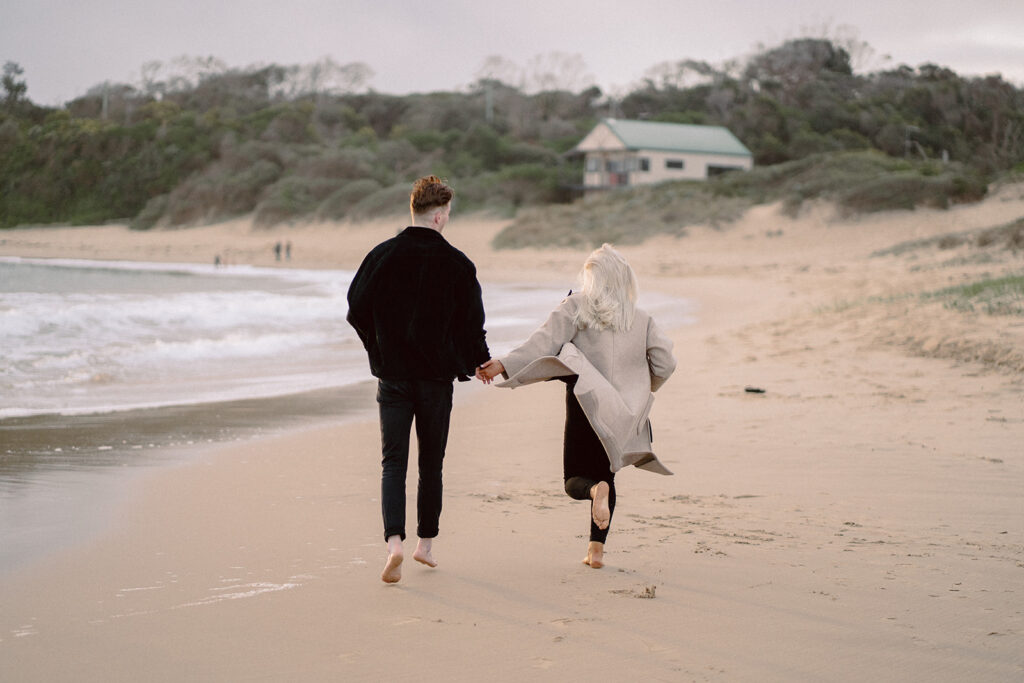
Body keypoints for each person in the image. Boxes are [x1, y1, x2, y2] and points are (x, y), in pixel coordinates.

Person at [477, 244, 676, 569]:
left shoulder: (576, 306)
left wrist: (502, 364)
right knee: (607, 473)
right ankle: (596, 551)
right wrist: (640, 388)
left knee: (575, 480)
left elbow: (542, 342)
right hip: (622, 412)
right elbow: (665, 363)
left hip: (585, 404)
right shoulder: (641, 318)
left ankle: (594, 492)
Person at [347, 175, 490, 584]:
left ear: (413, 212)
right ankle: (424, 546)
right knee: (431, 463)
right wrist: (479, 362)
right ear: (441, 216)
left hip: (392, 377)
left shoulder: (382, 255)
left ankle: (394, 543)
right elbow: (471, 325)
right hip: (435, 381)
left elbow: (356, 307)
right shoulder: (459, 264)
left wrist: (379, 349)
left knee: (393, 463)